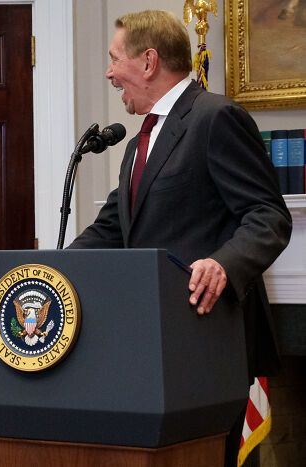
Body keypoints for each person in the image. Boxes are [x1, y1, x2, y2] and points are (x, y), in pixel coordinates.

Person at [67, 10, 292, 466]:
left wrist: (225, 264)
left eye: (114, 59)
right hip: (152, 349)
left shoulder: (216, 117)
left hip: (205, 344)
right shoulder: (139, 141)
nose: (109, 72)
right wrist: (51, 272)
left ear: (148, 62)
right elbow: (112, 228)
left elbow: (268, 215)